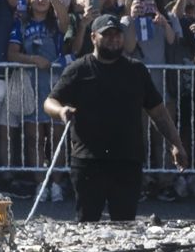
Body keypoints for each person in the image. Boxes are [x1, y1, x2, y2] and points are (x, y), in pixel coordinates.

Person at [52, 20, 174, 223]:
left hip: (127, 161)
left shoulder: (137, 71)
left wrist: (176, 144)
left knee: (125, 225)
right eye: (107, 34)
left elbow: (159, 112)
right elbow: (50, 101)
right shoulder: (78, 69)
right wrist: (60, 110)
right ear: (93, 37)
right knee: (87, 224)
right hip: (88, 161)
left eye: (117, 34)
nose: (113, 39)